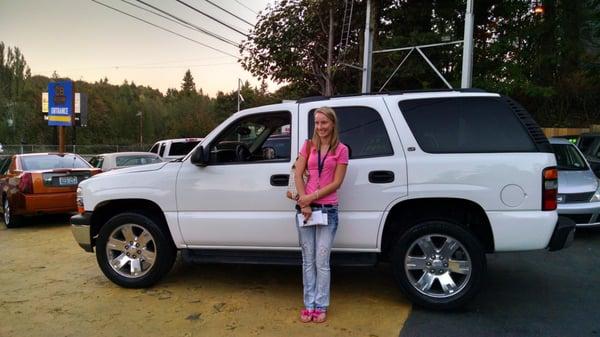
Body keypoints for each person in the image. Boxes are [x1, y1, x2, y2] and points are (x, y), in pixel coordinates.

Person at [294, 106, 349, 323]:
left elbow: (337, 182)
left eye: (324, 123)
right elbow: (298, 174)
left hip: (328, 210)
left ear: (332, 124)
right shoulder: (308, 146)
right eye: (317, 123)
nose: (320, 127)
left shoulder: (341, 150)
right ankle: (309, 304)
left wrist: (312, 196)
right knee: (307, 260)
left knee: (322, 261)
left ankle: (321, 305)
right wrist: (304, 202)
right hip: (306, 210)